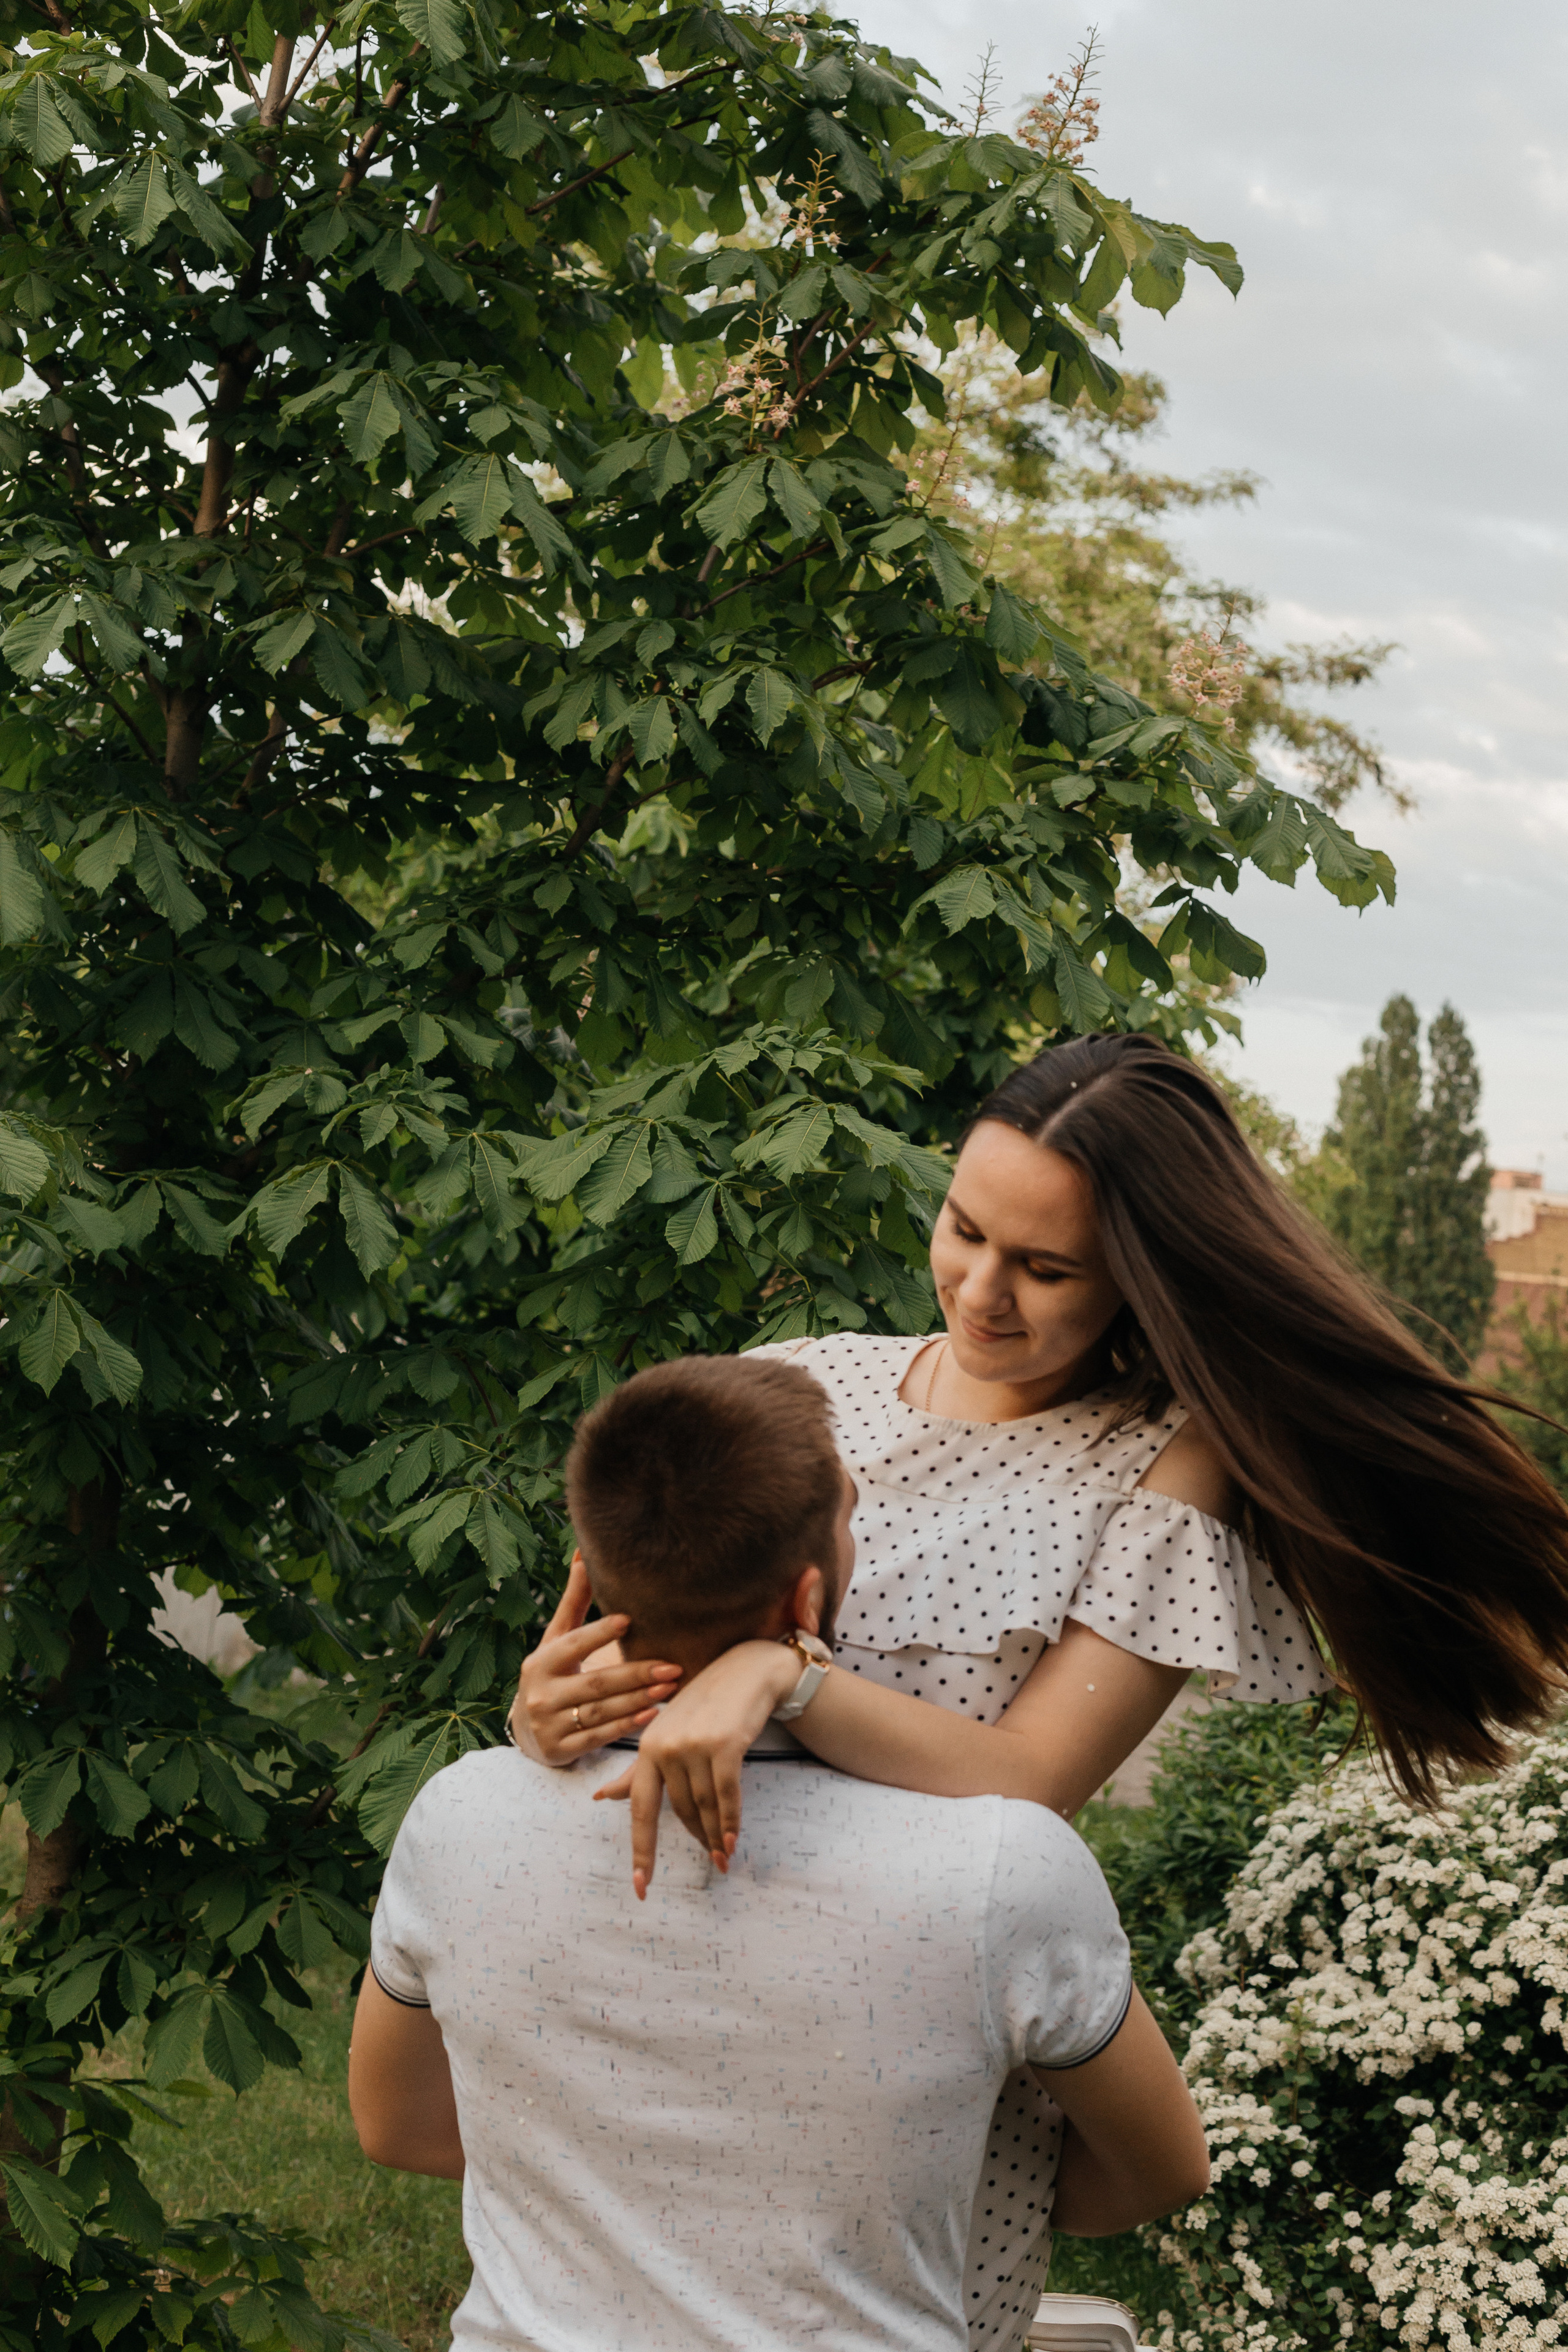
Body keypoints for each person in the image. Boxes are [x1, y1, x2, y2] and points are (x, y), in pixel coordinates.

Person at [512, 1031, 1568, 2350]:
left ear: (1141, 1278)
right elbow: (635, 1645)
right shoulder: (803, 1379)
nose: (979, 1290)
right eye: (963, 1229)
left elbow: (1026, 1782)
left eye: (1045, 1267)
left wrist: (778, 1676)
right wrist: (544, 1711)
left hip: (921, 2058)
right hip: (679, 2009)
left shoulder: (1162, 1472)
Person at [349, 1354, 1209, 2352]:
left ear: (589, 1577)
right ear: (807, 1603)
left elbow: (399, 2128)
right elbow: (1160, 2172)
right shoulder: (1003, 1871)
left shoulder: (460, 1819)